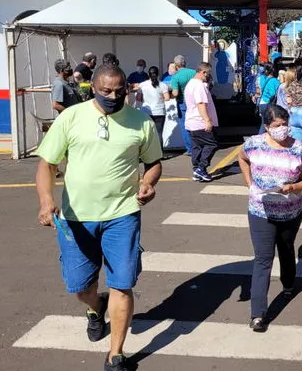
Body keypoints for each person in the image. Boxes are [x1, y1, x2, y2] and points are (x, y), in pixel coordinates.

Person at [34, 63, 162, 371]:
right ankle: (95, 306)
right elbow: (46, 164)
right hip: (75, 218)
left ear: (127, 90)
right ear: (92, 86)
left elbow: (154, 162)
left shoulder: (140, 122)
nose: (113, 96)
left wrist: (148, 183)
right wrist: (46, 200)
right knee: (80, 287)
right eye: (105, 91)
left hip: (123, 214)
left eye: (119, 91)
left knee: (122, 284)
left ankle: (115, 354)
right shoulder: (71, 117)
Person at [237, 105, 302, 332]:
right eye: (276, 126)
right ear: (267, 127)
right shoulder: (253, 144)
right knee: (263, 258)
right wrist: (249, 182)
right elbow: (242, 158)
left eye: (284, 124)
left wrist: (292, 186)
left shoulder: (298, 148)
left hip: (291, 210)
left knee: (286, 247)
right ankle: (258, 314)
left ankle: (289, 283)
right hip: (261, 210)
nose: (282, 129)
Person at [185, 62, 218, 182]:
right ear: (203, 72)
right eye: (207, 74)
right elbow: (201, 104)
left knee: (197, 147)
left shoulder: (191, 84)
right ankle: (201, 168)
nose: (208, 76)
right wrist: (207, 121)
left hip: (192, 122)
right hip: (199, 122)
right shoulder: (198, 85)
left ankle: (197, 169)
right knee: (211, 144)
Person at [136, 66, 170, 149]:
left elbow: (138, 98)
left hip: (146, 111)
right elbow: (167, 98)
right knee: (159, 133)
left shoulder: (142, 85)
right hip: (160, 112)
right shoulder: (163, 85)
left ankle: (147, 152)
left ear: (148, 74)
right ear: (158, 74)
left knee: (147, 133)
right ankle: (160, 153)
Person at [169, 55, 197, 156]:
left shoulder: (176, 76)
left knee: (185, 126)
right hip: (195, 102)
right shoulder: (194, 72)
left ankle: (190, 149)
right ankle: (197, 146)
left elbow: (175, 93)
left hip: (182, 103)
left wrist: (169, 94)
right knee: (196, 124)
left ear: (176, 65)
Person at [256, 63, 280, 133]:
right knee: (271, 124)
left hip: (262, 103)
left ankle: (260, 140)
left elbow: (258, 90)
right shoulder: (275, 81)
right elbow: (273, 93)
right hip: (269, 104)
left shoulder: (262, 79)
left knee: (264, 124)